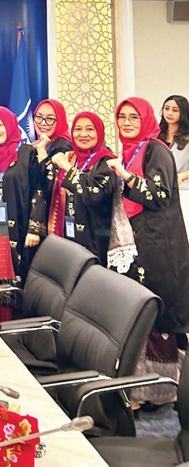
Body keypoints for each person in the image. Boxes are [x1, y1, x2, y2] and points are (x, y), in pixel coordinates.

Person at [106, 97, 189, 407]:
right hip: (138, 244)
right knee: (139, 314)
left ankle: (162, 391)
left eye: (134, 117)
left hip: (159, 246)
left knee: (157, 314)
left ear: (146, 120)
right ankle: (139, 389)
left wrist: (125, 176)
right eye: (122, 117)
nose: (127, 122)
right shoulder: (129, 151)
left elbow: (160, 194)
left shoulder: (157, 150)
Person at [0, 107, 47, 293]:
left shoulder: (27, 153)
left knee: (22, 282)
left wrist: (34, 229)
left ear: (10, 125)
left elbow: (39, 190)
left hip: (21, 227)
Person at [47, 112, 115, 264]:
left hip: (96, 239)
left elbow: (94, 195)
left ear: (99, 132)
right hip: (68, 236)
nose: (83, 134)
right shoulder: (72, 157)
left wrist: (68, 168)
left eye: (90, 129)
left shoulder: (107, 162)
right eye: (78, 129)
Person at [31, 99, 74, 233]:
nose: (43, 123)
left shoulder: (63, 146)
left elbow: (48, 184)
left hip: (52, 221)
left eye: (50, 119)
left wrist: (42, 153)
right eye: (39, 117)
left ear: (59, 120)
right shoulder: (46, 143)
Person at [158, 95, 189, 189]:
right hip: (158, 188)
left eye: (175, 110)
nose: (169, 113)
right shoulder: (155, 135)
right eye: (166, 109)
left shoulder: (187, 138)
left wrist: (182, 175)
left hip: (182, 188)